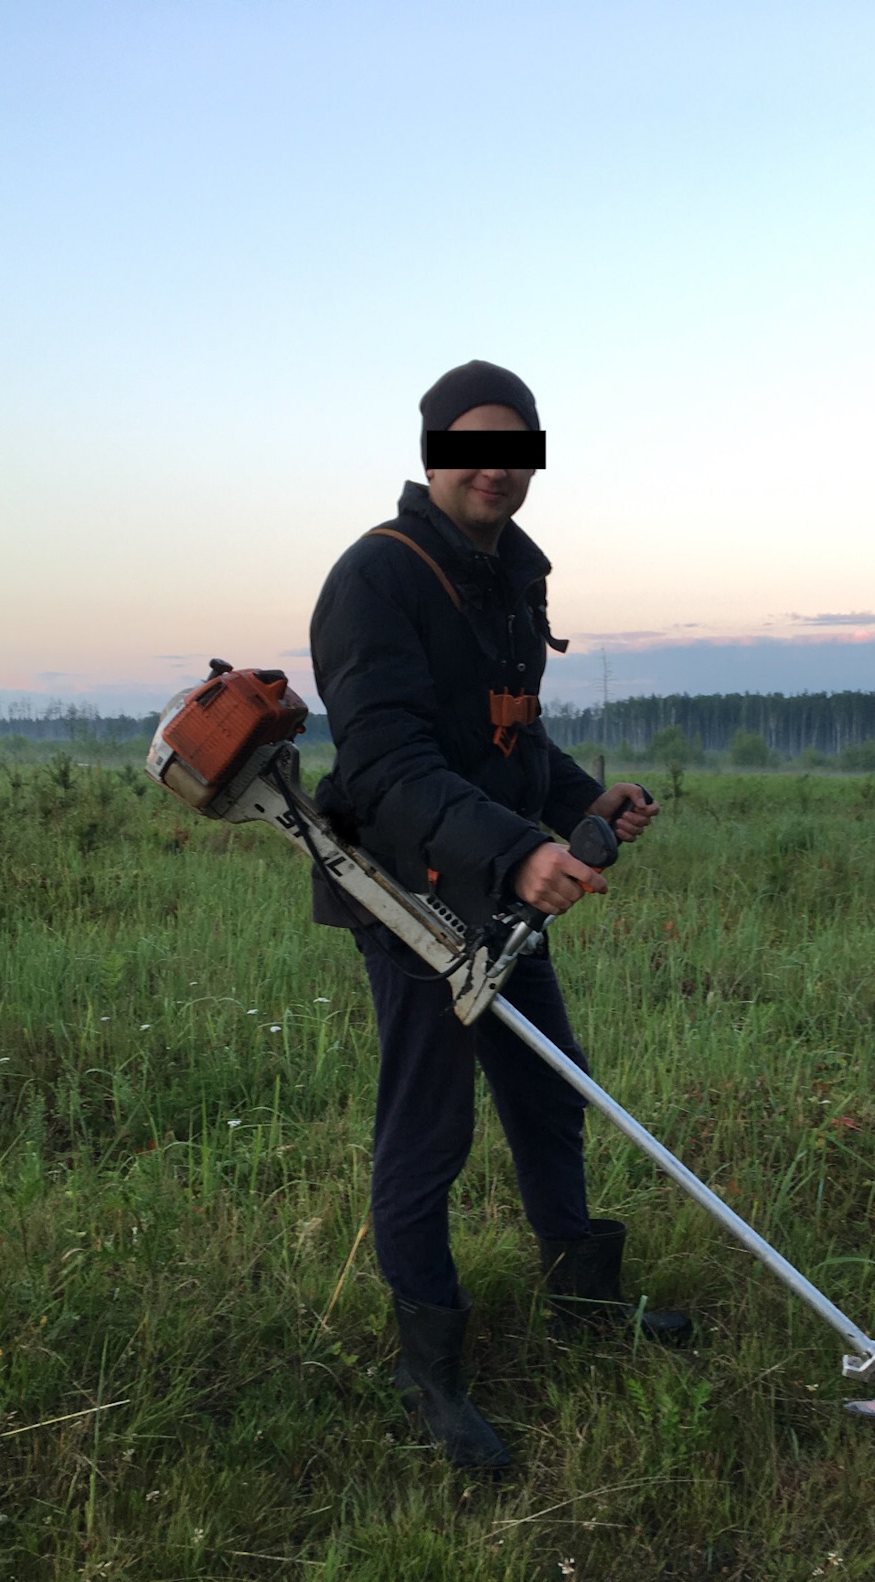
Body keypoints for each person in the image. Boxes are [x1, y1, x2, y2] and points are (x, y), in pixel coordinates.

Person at [309, 360, 692, 1471]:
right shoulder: (377, 579)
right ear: (431, 454)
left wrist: (577, 805)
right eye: (473, 446)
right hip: (413, 899)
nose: (496, 468)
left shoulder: (509, 576)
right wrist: (519, 850)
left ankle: (584, 1303)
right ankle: (429, 1370)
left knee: (551, 1089)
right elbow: (385, 765)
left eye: (517, 448)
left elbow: (511, 731)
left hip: (501, 891)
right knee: (429, 1133)